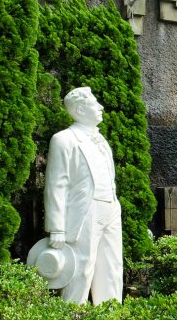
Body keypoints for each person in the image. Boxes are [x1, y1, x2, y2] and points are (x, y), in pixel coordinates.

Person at [42, 86, 123, 304]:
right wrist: (56, 228)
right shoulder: (64, 139)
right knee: (81, 269)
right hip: (85, 211)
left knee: (112, 268)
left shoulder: (101, 140)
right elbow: (56, 185)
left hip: (110, 208)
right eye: (94, 104)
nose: (101, 107)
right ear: (79, 110)